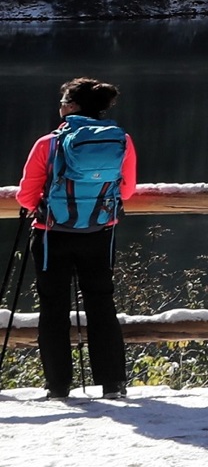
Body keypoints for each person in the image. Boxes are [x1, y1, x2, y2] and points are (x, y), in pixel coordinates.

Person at [12, 76, 138, 400]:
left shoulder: (49, 143)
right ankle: (113, 384)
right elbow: (127, 190)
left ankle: (57, 387)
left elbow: (27, 197)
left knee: (53, 309)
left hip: (53, 234)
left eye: (63, 102)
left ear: (70, 107)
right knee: (101, 304)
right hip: (100, 232)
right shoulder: (121, 140)